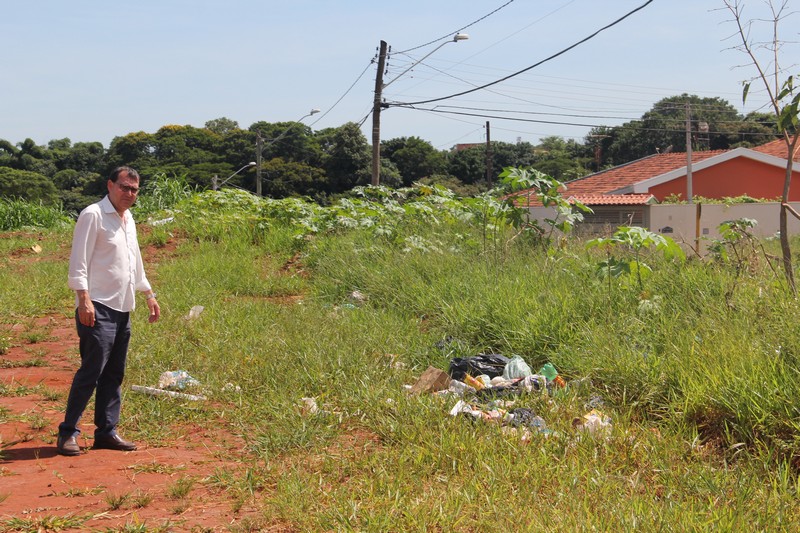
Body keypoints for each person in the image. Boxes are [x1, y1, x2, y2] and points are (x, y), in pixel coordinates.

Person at [57, 166, 160, 456]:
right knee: (91, 371)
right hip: (97, 305)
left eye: (134, 190)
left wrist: (148, 293)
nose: (129, 194)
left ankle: (106, 432)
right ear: (110, 185)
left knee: (114, 373)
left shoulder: (128, 220)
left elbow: (134, 261)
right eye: (124, 187)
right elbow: (78, 259)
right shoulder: (93, 215)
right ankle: (68, 433)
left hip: (122, 306)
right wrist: (83, 298)